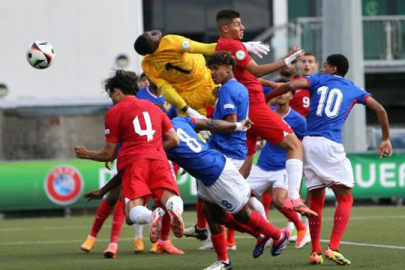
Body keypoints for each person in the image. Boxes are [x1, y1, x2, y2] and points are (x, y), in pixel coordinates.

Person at [265, 54, 393, 265]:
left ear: (333, 68)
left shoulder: (317, 80)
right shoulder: (353, 88)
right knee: (345, 197)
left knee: (316, 198)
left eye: (324, 66)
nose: (321, 69)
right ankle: (333, 248)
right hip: (329, 143)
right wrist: (385, 139)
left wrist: (265, 100)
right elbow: (380, 109)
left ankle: (315, 252)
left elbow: (290, 84)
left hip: (308, 143)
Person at [214, 9, 315, 217]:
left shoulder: (222, 46)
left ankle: (224, 208)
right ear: (226, 28)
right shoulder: (232, 45)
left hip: (245, 110)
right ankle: (295, 197)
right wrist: (286, 62)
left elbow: (245, 76)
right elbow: (256, 71)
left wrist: (269, 83)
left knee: (245, 169)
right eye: (237, 24)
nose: (242, 28)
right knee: (295, 145)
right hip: (255, 107)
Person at [74, 70, 185, 255]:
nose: (111, 100)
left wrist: (87, 154)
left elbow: (109, 154)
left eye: (111, 95)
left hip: (134, 164)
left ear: (117, 91)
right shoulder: (155, 108)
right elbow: (174, 139)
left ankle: (152, 216)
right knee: (169, 198)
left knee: (130, 212)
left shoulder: (114, 112)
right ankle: (175, 210)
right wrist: (153, 148)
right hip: (159, 159)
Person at [134, 30, 269, 118]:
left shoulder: (147, 63)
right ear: (151, 48)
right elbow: (204, 48)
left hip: (199, 90)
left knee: (227, 118)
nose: (155, 32)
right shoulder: (168, 42)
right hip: (198, 90)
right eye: (151, 36)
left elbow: (166, 89)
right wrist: (186, 108)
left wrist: (241, 46)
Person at [246, 89, 311, 249]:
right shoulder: (268, 113)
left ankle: (301, 228)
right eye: (279, 92)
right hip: (263, 165)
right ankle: (267, 230)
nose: (281, 94)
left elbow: (301, 145)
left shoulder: (298, 120)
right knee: (239, 197)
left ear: (292, 96)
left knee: (278, 200)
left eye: (286, 92)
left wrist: (303, 168)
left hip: (282, 167)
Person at [134, 79, 182, 255]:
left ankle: (163, 240)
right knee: (140, 196)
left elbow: (177, 126)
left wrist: (181, 157)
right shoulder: (139, 95)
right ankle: (138, 238)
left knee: (166, 197)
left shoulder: (172, 95)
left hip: (166, 153)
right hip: (141, 153)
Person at [289, 52, 318, 118]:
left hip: (314, 125)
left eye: (310, 62)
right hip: (295, 125)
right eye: (303, 61)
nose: (306, 64)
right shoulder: (291, 83)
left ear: (316, 65)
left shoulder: (321, 84)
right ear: (299, 65)